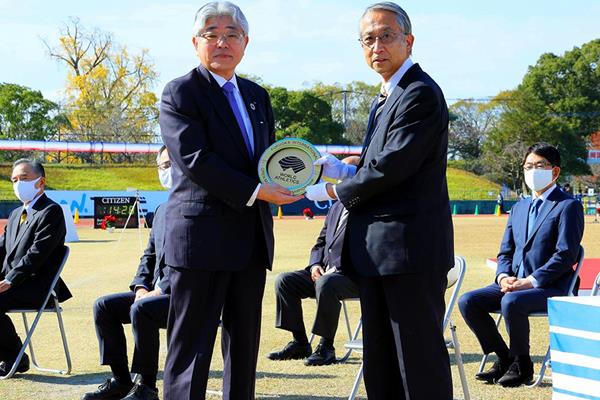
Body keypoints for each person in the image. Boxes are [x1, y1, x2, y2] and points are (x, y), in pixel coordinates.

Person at [305, 3, 454, 398]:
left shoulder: (419, 93)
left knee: (417, 366)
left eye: (386, 35)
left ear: (409, 40)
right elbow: (378, 164)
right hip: (376, 256)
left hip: (409, 254)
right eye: (367, 39)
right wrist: (345, 169)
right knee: (382, 365)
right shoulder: (386, 95)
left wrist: (334, 190)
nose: (377, 46)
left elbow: (392, 168)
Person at [158, 2, 300, 399]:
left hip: (250, 240)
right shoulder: (180, 92)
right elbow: (194, 159)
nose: (222, 41)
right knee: (191, 350)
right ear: (195, 42)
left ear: (246, 42)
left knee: (243, 349)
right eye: (211, 33)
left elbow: (266, 159)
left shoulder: (257, 95)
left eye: (232, 34)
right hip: (200, 241)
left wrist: (297, 174)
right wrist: (257, 192)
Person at [459, 143, 584, 387]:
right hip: (516, 282)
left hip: (552, 286)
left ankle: (522, 364)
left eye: (539, 166)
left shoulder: (568, 206)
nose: (532, 171)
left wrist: (531, 281)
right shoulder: (519, 207)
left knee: (511, 301)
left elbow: (566, 254)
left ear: (555, 172)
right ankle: (505, 357)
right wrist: (504, 277)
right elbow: (505, 251)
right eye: (528, 166)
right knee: (468, 301)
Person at [82, 146, 172, 400]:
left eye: (173, 163)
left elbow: (193, 258)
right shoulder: (162, 211)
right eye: (163, 166)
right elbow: (149, 256)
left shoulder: (198, 206)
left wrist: (160, 289)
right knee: (104, 306)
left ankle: (147, 386)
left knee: (141, 310)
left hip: (187, 295)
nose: (169, 170)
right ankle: (122, 380)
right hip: (156, 294)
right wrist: (141, 287)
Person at [0, 159, 71, 377]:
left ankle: (15, 356)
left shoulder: (51, 212)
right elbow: (1, 250)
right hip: (11, 285)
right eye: (14, 180)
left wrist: (10, 279)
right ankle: (11, 355)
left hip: (37, 286)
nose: (18, 184)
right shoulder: (14, 215)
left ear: (41, 182)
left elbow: (37, 255)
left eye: (24, 178)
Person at [267, 201, 359, 366]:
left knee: (326, 283)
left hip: (353, 277)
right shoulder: (336, 207)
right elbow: (320, 243)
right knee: (285, 281)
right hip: (325, 272)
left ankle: (326, 348)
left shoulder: (367, 207)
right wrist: (315, 266)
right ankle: (300, 343)